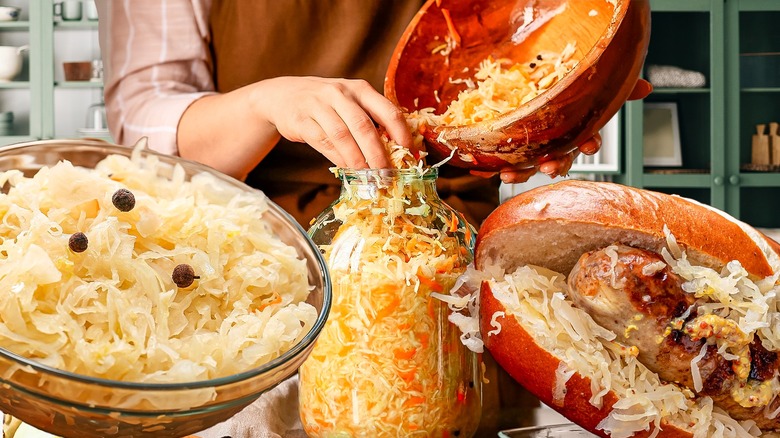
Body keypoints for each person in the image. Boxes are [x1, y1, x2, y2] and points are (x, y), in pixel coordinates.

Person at [94, 1, 651, 436]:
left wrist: (555, 104)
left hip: (451, 254)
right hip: (255, 278)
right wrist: (264, 104)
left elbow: (528, 31)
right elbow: (145, 124)